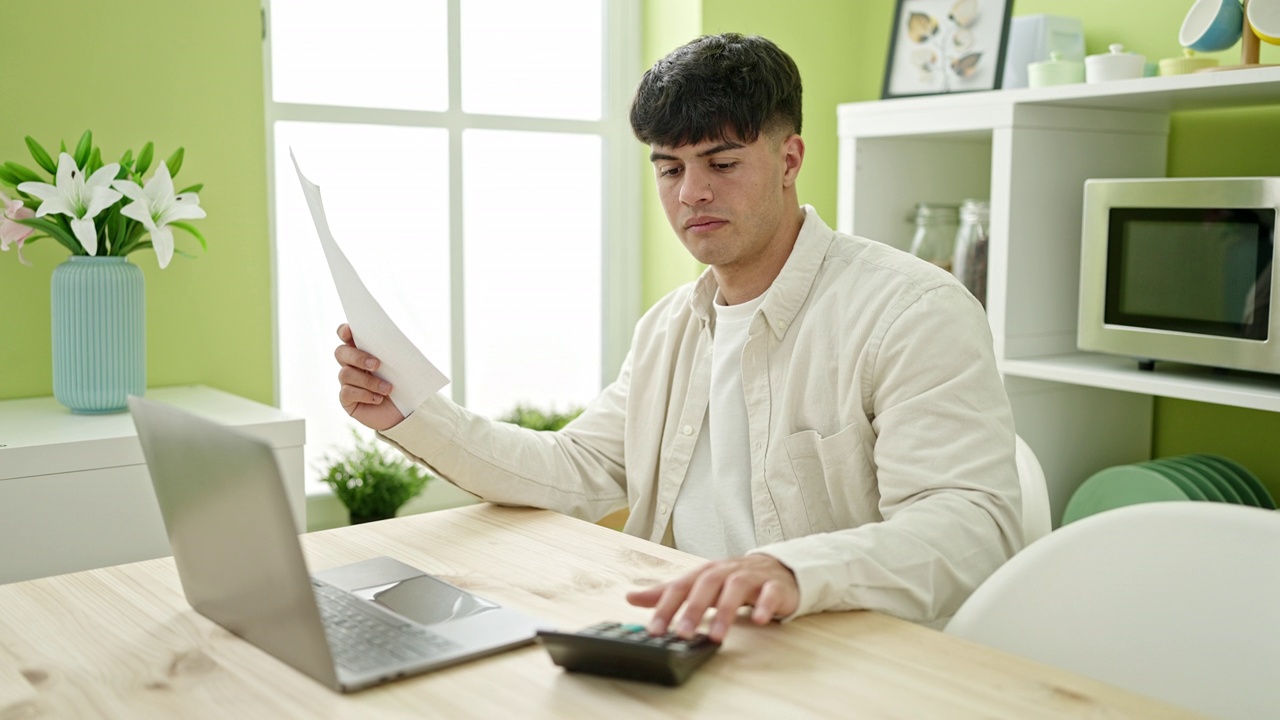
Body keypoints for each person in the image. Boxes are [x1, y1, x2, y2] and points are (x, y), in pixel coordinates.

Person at [335, 33, 1022, 643]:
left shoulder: (913, 311)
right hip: (687, 641)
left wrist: (791, 569)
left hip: (846, 653)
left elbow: (971, 528)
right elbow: (581, 468)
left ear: (790, 159)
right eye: (670, 169)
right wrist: (415, 415)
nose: (691, 193)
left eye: (721, 165)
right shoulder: (669, 325)